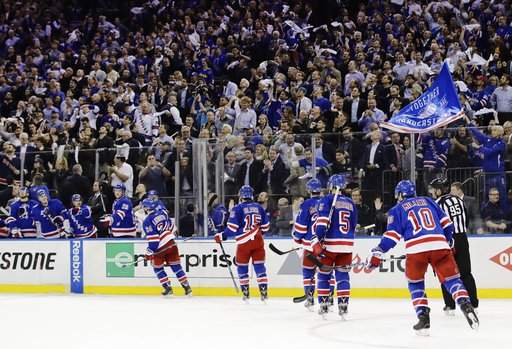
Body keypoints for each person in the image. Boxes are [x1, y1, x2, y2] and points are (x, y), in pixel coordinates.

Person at [366, 180, 479, 335]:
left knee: (415, 283)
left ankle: (423, 317)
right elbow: (447, 223)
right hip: (440, 245)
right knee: (452, 280)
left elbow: (392, 237)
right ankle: (465, 303)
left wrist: (378, 250)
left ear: (400, 194)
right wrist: (447, 240)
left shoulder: (397, 209)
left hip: (416, 249)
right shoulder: (428, 201)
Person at [429, 178, 479, 314]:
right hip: (462, 238)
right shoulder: (459, 200)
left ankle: (450, 305)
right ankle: (473, 303)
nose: (431, 192)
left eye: (433, 189)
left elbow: (436, 225)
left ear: (439, 190)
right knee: (466, 272)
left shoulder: (437, 203)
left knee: (445, 272)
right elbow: (466, 220)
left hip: (447, 240)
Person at [214, 185, 270, 302]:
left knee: (242, 267)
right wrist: (258, 234)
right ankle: (263, 292)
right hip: (258, 240)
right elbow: (266, 226)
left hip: (244, 242)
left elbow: (232, 229)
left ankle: (246, 293)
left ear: (241, 196)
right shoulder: (259, 207)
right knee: (259, 266)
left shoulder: (237, 208)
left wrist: (222, 236)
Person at [313, 174, 358, 319]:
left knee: (324, 275)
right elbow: (353, 225)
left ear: (330, 186)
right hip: (347, 246)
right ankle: (343, 305)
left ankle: (324, 304)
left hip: (330, 245)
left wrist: (317, 240)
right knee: (343, 275)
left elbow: (321, 225)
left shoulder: (326, 200)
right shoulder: (351, 203)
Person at [141, 198, 192, 296]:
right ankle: (187, 287)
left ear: (146, 208)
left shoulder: (147, 221)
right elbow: (173, 229)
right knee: (176, 266)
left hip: (160, 247)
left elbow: (154, 241)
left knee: (157, 267)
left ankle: (167, 287)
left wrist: (148, 253)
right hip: (172, 243)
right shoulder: (163, 213)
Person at [291, 178, 324, 310]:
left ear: (309, 190)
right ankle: (329, 299)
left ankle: (309, 298)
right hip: (324, 245)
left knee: (307, 271)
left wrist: (297, 238)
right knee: (326, 272)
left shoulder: (306, 204)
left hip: (310, 245)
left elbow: (301, 227)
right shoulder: (326, 202)